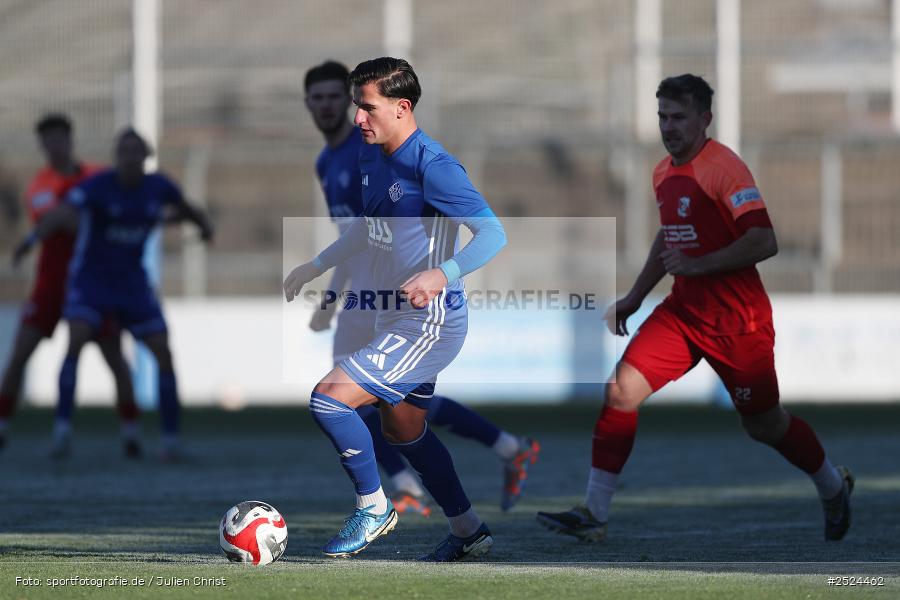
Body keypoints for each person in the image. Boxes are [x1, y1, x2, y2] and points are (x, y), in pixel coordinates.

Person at [536, 74, 853, 543]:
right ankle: (594, 515)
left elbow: (764, 240)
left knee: (764, 425)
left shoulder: (725, 169)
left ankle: (831, 485)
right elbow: (669, 236)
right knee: (621, 391)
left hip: (738, 324)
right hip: (683, 314)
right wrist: (635, 296)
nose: (668, 126)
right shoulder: (663, 172)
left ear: (705, 119)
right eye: (662, 116)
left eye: (678, 117)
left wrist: (699, 264)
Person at [285, 57, 507, 561]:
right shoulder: (371, 156)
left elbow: (493, 233)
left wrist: (442, 273)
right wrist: (316, 265)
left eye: (367, 107)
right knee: (402, 429)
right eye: (356, 107)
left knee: (329, 400)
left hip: (430, 320)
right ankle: (469, 531)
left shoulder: (435, 166)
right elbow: (368, 229)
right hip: (393, 313)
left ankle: (374, 508)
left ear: (402, 107)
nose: (357, 118)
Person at [13, 128, 213, 461]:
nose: (129, 156)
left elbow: (184, 208)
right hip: (91, 283)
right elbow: (60, 214)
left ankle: (170, 440)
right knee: (76, 341)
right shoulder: (98, 185)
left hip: (133, 285)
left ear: (146, 156)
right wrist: (30, 241)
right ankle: (62, 433)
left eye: (136, 150)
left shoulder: (159, 186)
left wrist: (204, 225)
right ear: (116, 156)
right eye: (123, 150)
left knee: (162, 352)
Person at [1, 114, 139, 458]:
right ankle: (3, 425)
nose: (54, 146)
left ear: (70, 140)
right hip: (52, 283)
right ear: (41, 146)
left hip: (93, 284)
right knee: (20, 353)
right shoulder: (39, 188)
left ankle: (130, 433)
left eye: (59, 138)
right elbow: (63, 221)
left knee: (115, 357)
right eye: (48, 140)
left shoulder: (96, 176)